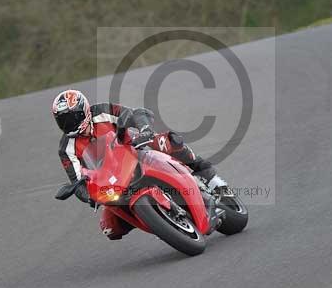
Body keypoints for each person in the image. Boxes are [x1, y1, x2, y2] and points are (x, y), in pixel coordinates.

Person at [51, 89, 226, 240]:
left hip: (134, 153)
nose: (69, 124)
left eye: (72, 118)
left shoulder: (102, 111)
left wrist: (145, 130)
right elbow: (77, 180)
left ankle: (209, 177)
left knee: (166, 142)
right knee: (110, 228)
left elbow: (135, 114)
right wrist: (89, 196)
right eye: (63, 121)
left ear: (84, 111)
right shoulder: (66, 149)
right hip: (112, 182)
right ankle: (160, 222)